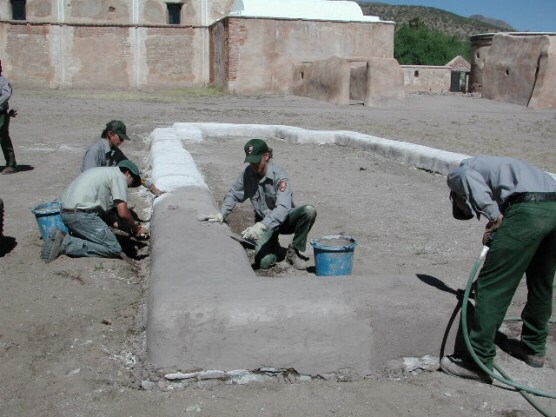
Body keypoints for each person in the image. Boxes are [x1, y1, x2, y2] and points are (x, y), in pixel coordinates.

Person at [440, 155, 556, 383]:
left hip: (527, 210)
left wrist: (493, 217)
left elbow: (463, 177)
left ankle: (477, 361)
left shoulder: (461, 171)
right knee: (541, 282)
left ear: (457, 195)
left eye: (465, 207)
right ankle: (533, 347)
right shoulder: (501, 167)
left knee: (493, 287)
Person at [199, 138, 317, 270]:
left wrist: (261, 226)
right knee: (264, 263)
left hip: (284, 220)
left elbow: (283, 207)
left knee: (309, 211)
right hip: (265, 223)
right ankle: (274, 247)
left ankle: (293, 253)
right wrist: (221, 214)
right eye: (250, 161)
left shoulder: (280, 175)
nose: (253, 165)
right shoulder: (248, 173)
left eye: (256, 161)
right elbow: (233, 193)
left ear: (266, 156)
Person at [41, 160, 147, 263]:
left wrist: (129, 230)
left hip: (66, 212)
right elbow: (123, 213)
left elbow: (109, 219)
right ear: (128, 173)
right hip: (80, 214)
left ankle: (67, 238)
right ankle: (66, 243)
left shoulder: (104, 173)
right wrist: (136, 228)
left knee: (104, 230)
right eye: (130, 184)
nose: (127, 187)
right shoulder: (120, 177)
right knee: (114, 248)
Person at [81, 120, 164, 197]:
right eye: (120, 138)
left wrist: (151, 187)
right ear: (110, 134)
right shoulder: (95, 151)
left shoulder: (116, 153)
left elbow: (133, 170)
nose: (122, 141)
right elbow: (88, 180)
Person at [0, 60, 18, 175]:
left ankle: (11, 164)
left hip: (1, 114)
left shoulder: (2, 81)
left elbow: (6, 94)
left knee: (3, 138)